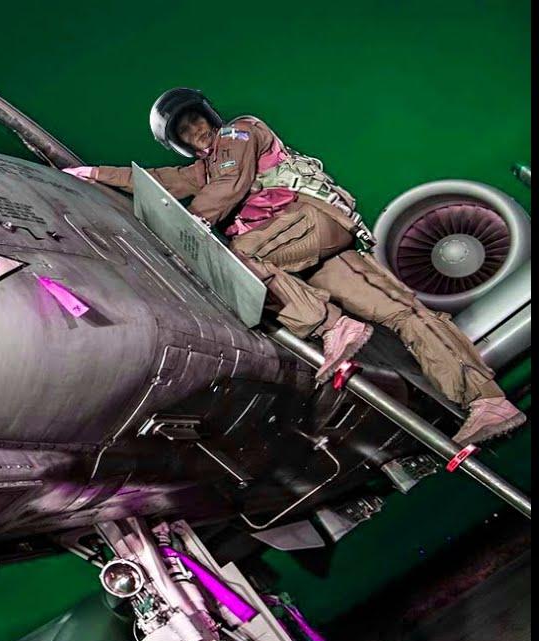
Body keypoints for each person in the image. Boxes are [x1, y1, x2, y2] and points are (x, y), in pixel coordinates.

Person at [63, 88, 525, 446]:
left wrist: (194, 225)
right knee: (404, 313)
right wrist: (95, 174)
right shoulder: (202, 170)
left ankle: (332, 326)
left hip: (306, 222)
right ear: (180, 143)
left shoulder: (238, 134)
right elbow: (159, 181)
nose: (196, 131)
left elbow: (228, 186)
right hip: (306, 250)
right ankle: (488, 403)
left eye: (195, 120)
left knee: (234, 259)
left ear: (209, 115)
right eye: (184, 131)